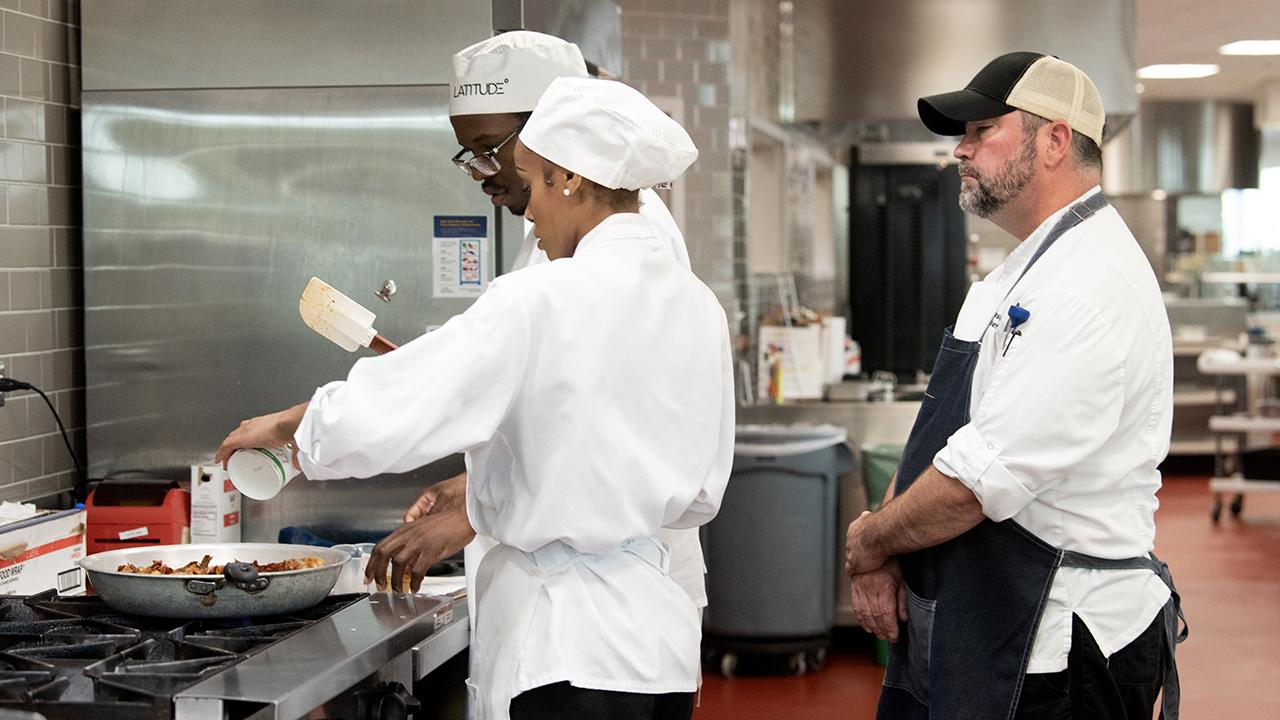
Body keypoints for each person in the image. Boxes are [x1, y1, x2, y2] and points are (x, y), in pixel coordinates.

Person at [216, 75, 732, 720]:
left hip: (566, 647)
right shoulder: (696, 303)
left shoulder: (543, 295)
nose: (529, 211)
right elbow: (655, 466)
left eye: (533, 181)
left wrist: (294, 426)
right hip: (657, 647)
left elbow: (413, 399)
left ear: (568, 179)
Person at [842, 52, 1186, 719]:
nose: (960, 152)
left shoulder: (1090, 283)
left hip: (1065, 651)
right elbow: (940, 437)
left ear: (1056, 139)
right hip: (992, 625)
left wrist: (872, 540)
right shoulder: (1014, 275)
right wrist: (882, 544)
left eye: (980, 131)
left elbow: (978, 482)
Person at [369, 31, 709, 632]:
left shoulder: (632, 237)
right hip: (579, 595)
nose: (478, 172)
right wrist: (475, 486)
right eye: (466, 154)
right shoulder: (561, 232)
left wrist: (474, 514)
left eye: (489, 149)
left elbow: (608, 430)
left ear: (553, 133)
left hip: (604, 601)